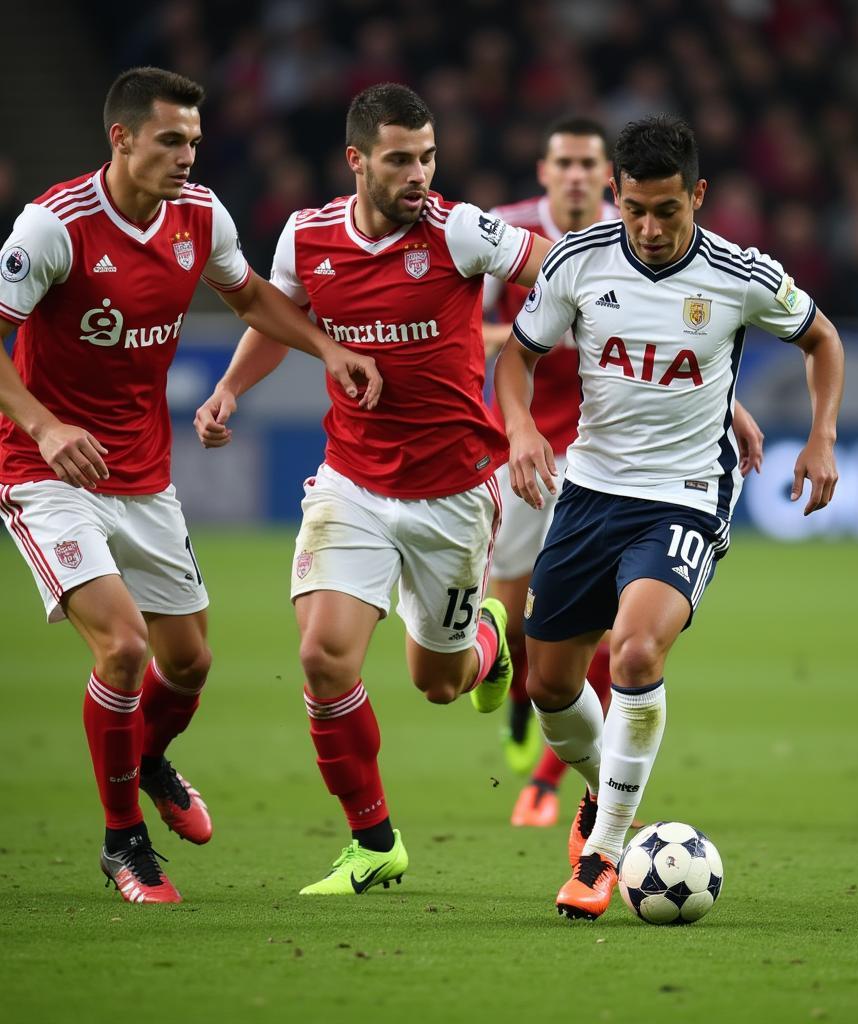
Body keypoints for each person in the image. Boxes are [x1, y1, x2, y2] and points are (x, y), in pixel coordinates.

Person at [0, 67, 382, 905]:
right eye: (171, 140)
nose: (187, 156)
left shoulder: (200, 216)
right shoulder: (53, 228)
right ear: (123, 138)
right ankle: (121, 841)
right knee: (126, 647)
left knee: (190, 661)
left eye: (195, 142)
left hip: (143, 472)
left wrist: (330, 349)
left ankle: (148, 760)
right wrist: (45, 427)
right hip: (48, 470)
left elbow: (249, 299)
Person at [194, 83, 551, 897]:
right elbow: (274, 316)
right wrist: (230, 391)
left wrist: (538, 350)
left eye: (427, 156)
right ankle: (373, 841)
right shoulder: (307, 235)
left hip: (455, 492)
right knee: (322, 656)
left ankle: (491, 637)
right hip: (352, 480)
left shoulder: (460, 230)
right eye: (399, 160)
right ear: (357, 161)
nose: (418, 173)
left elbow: (548, 269)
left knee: (439, 683)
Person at [494, 114, 843, 920]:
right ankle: (602, 792)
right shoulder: (578, 263)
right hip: (589, 491)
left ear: (699, 197)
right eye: (635, 210)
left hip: (685, 494)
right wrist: (518, 429)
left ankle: (603, 852)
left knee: (637, 649)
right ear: (616, 195)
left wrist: (821, 438)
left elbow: (822, 339)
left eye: (668, 212)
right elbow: (518, 356)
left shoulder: (740, 273)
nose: (649, 230)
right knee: (546, 681)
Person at [482, 118, 766, 829]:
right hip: (533, 453)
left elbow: (685, 340)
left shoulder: (656, 234)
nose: (576, 177)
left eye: (585, 162)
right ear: (547, 172)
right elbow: (490, 343)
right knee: (528, 638)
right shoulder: (512, 238)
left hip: (644, 471)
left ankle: (590, 811)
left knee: (630, 643)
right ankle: (523, 706)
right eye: (565, 163)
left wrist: (732, 406)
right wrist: (515, 426)